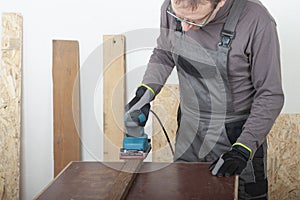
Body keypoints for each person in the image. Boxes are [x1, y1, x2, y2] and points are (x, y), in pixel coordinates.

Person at [125, 0, 284, 199]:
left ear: (220, 3)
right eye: (179, 18)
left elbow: (270, 94)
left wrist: (243, 148)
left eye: (195, 21)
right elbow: (165, 52)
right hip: (189, 130)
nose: (184, 27)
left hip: (236, 133)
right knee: (186, 191)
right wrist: (145, 92)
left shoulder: (256, 20)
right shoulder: (172, 7)